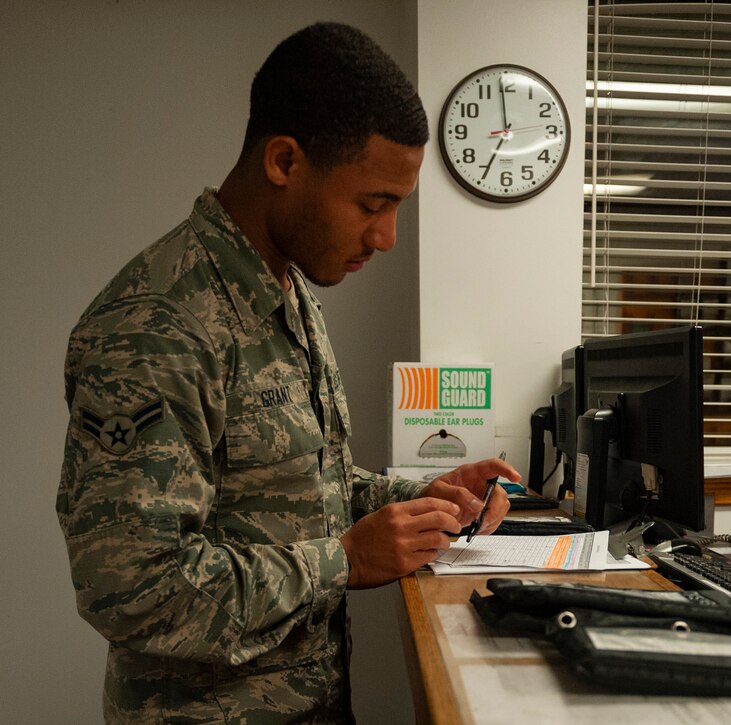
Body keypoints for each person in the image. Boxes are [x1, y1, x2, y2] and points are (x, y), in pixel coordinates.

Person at [56, 22, 518, 723]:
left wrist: (426, 495)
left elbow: (301, 488)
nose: (387, 236)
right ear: (284, 161)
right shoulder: (155, 326)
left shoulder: (288, 292)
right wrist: (344, 560)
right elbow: (131, 590)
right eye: (373, 204)